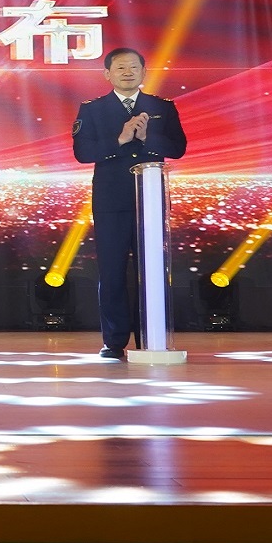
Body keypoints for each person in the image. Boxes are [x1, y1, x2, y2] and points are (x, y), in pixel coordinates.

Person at [71, 47, 188, 359]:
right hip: (112, 200)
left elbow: (178, 148)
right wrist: (120, 139)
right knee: (112, 270)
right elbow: (83, 152)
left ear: (143, 72)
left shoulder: (162, 106)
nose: (127, 72)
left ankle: (151, 336)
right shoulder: (93, 109)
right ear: (107, 74)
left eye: (134, 67)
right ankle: (114, 341)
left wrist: (148, 138)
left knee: (151, 269)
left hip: (151, 197)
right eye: (120, 67)